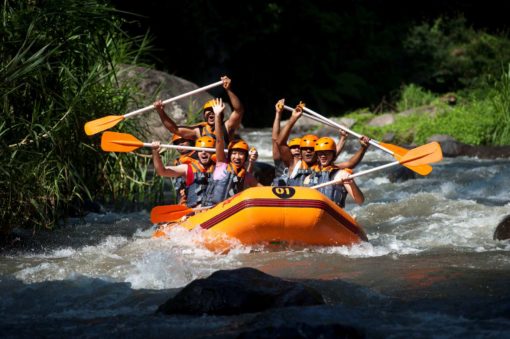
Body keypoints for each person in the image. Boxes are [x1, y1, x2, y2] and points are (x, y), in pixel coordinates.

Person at [202, 98, 261, 207]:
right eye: (234, 153)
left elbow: (262, 189)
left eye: (241, 154)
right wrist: (218, 116)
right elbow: (219, 140)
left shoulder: (246, 175)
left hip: (230, 213)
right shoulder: (221, 164)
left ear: (245, 158)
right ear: (229, 155)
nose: (237, 157)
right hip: (210, 209)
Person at [153, 75, 244, 144]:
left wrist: (228, 89)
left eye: (214, 110)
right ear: (204, 115)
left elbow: (238, 111)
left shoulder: (227, 126)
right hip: (206, 167)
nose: (212, 113)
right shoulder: (199, 131)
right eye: (209, 111)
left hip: (222, 166)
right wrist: (161, 112)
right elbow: (174, 129)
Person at [151, 136, 216, 208]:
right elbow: (161, 171)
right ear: (197, 152)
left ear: (213, 152)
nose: (203, 152)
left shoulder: (220, 167)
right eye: (200, 150)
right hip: (195, 211)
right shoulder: (187, 168)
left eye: (207, 149)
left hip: (215, 209)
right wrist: (155, 152)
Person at [304, 137, 365, 208]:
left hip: (332, 214)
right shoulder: (308, 179)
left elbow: (360, 201)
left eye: (326, 152)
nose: (323, 156)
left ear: (333, 155)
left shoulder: (341, 174)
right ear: (317, 155)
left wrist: (352, 184)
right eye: (320, 153)